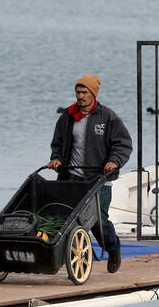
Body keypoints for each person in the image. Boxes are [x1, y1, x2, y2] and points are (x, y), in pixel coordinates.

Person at [47, 74, 131, 273]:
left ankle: (113, 248)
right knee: (66, 218)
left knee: (98, 221)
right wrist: (56, 158)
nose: (80, 96)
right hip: (72, 178)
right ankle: (76, 255)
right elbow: (58, 143)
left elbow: (123, 144)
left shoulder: (108, 117)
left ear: (93, 94)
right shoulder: (67, 116)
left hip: (99, 179)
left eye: (84, 92)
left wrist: (114, 161)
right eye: (78, 92)